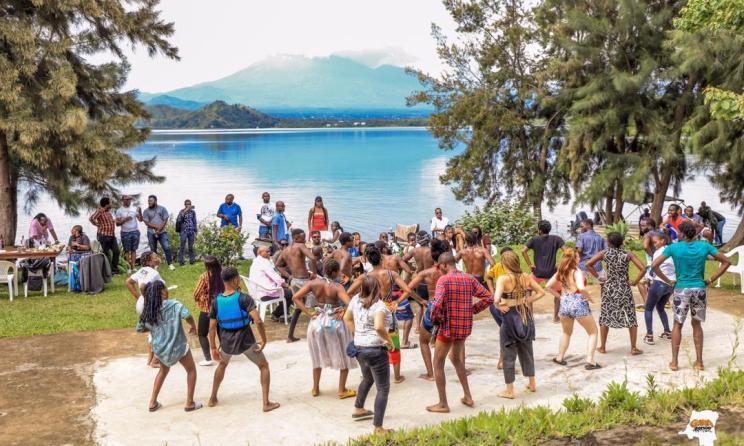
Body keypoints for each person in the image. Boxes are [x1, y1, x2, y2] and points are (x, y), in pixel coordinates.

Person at [652, 221, 731, 371]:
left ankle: (674, 362)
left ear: (682, 234)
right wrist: (710, 280)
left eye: (678, 231)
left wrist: (668, 280)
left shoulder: (674, 248)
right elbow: (726, 262)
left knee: (677, 324)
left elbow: (655, 265)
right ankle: (699, 362)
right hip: (699, 288)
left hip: (681, 288)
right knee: (696, 324)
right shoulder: (704, 246)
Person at [426, 251, 493, 413]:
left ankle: (443, 403)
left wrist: (436, 318)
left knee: (438, 363)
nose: (438, 269)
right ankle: (467, 396)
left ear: (443, 265)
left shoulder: (444, 280)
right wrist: (472, 310)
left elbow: (437, 304)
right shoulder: (469, 278)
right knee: (456, 359)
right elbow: (489, 297)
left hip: (448, 328)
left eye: (438, 266)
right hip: (464, 327)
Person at [348, 246, 424, 384]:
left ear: (369, 261)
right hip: (387, 309)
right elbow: (407, 289)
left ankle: (369, 375)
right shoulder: (391, 274)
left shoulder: (365, 277)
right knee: (393, 342)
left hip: (370, 310)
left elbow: (349, 293)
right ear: (381, 258)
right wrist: (397, 301)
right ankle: (396, 376)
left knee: (369, 341)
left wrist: (360, 302)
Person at [208, 266, 280, 412]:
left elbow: (211, 327)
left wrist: (213, 347)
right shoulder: (244, 298)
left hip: (226, 341)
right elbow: (258, 321)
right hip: (245, 339)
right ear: (235, 279)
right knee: (263, 365)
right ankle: (266, 403)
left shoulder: (216, 301)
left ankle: (212, 398)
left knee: (222, 365)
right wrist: (264, 339)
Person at [292, 259, 357, 398]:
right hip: (335, 322)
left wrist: (308, 312)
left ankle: (315, 388)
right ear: (334, 272)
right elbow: (351, 304)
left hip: (316, 322)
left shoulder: (313, 283)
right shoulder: (337, 287)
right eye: (338, 271)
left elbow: (295, 297)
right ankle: (341, 390)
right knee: (344, 355)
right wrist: (344, 310)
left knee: (317, 356)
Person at [136, 281, 201, 412]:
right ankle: (189, 403)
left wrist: (155, 329)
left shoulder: (148, 311)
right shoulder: (174, 304)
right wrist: (193, 326)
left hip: (160, 349)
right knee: (191, 370)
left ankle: (152, 402)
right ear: (163, 292)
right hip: (178, 346)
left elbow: (140, 328)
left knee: (163, 371)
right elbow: (187, 315)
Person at [343, 275, 395, 434]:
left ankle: (358, 408)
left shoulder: (356, 300)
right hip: (375, 350)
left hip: (359, 348)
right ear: (377, 289)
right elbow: (379, 327)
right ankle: (378, 428)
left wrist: (358, 334)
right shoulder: (379, 306)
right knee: (383, 388)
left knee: (368, 378)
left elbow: (347, 318)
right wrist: (389, 342)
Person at [492, 251, 546, 399]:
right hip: (525, 314)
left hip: (510, 316)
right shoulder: (526, 277)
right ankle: (532, 383)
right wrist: (527, 301)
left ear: (504, 263)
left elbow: (496, 299)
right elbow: (542, 292)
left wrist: (499, 307)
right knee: (527, 350)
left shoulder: (503, 279)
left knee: (508, 352)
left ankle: (509, 391)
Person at [586, 233, 646, 355]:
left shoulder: (604, 253)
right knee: (630, 316)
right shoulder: (628, 254)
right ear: (621, 242)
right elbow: (643, 269)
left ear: (609, 242)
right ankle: (633, 348)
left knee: (605, 316)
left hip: (609, 288)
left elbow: (588, 264)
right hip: (624, 288)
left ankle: (602, 347)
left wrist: (599, 277)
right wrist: (635, 282)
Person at [545, 248, 601, 370]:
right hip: (578, 303)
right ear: (573, 259)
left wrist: (559, 297)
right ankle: (590, 360)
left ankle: (560, 357)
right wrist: (590, 298)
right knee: (593, 332)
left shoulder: (561, 272)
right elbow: (581, 288)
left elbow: (548, 286)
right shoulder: (577, 272)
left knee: (566, 332)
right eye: (578, 257)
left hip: (565, 302)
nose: (579, 258)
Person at [406, 239, 450, 381]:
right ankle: (462, 367)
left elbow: (407, 288)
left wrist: (420, 300)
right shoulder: (452, 273)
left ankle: (431, 373)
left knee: (423, 340)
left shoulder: (427, 272)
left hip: (432, 305)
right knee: (456, 340)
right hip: (449, 307)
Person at [275, 229, 318, 342]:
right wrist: (314, 273)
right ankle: (315, 336)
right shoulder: (300, 246)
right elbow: (313, 258)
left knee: (298, 309)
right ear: (296, 238)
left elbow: (278, 265)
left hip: (294, 281)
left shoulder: (285, 250)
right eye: (303, 237)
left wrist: (288, 276)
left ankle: (290, 336)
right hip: (304, 281)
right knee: (314, 307)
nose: (304, 240)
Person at [522, 220, 564, 322]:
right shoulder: (556, 239)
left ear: (539, 230)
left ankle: (529, 316)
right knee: (558, 293)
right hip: (552, 273)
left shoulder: (534, 239)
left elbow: (523, 251)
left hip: (537, 273)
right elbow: (567, 252)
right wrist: (560, 263)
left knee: (528, 291)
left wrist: (530, 264)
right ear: (549, 229)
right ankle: (555, 317)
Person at [192, 255, 224, 366]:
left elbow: (196, 293)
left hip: (207, 309)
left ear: (207, 266)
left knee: (202, 333)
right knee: (221, 331)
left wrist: (201, 299)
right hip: (223, 308)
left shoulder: (204, 276)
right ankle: (223, 356)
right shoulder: (223, 274)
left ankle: (208, 358)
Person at [643, 233, 674, 345]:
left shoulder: (659, 252)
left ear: (663, 241)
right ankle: (667, 332)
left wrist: (648, 279)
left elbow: (653, 267)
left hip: (659, 282)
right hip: (670, 284)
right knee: (660, 307)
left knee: (648, 308)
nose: (654, 245)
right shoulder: (671, 250)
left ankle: (649, 335)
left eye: (656, 242)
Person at [250, 245, 292, 322]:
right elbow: (276, 278)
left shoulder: (256, 261)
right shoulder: (264, 262)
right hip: (265, 293)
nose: (269, 253)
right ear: (260, 253)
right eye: (267, 252)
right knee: (290, 293)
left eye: (269, 251)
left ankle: (281, 313)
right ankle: (276, 314)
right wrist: (287, 285)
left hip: (257, 292)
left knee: (283, 290)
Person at [142, 195, 175, 271]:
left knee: (166, 247)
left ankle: (170, 264)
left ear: (155, 201)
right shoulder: (146, 211)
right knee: (153, 250)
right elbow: (146, 222)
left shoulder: (162, 208)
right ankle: (155, 266)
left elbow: (165, 219)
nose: (149, 202)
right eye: (148, 201)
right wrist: (156, 228)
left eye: (151, 201)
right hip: (151, 232)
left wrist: (159, 229)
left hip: (162, 232)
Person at [89, 197, 120, 274]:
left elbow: (107, 222)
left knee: (116, 251)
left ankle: (114, 270)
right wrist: (96, 224)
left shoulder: (108, 213)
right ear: (107, 204)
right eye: (110, 202)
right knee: (105, 254)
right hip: (103, 236)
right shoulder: (100, 211)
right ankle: (107, 271)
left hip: (112, 236)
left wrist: (114, 221)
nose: (111, 204)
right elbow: (91, 218)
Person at [115, 195, 141, 273]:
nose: (128, 201)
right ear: (122, 201)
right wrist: (125, 219)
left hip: (135, 231)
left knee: (134, 250)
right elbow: (117, 224)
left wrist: (140, 212)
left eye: (129, 200)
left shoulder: (134, 209)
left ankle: (133, 267)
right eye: (126, 200)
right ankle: (128, 268)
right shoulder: (119, 211)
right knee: (127, 251)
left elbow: (140, 220)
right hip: (125, 232)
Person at [176, 199, 198, 266]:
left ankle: (192, 261)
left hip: (191, 231)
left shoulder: (193, 212)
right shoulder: (182, 211)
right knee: (182, 247)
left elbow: (194, 221)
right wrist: (185, 211)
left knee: (191, 247)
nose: (188, 205)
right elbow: (179, 220)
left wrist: (196, 230)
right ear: (185, 205)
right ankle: (181, 262)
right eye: (187, 204)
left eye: (189, 204)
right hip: (183, 231)